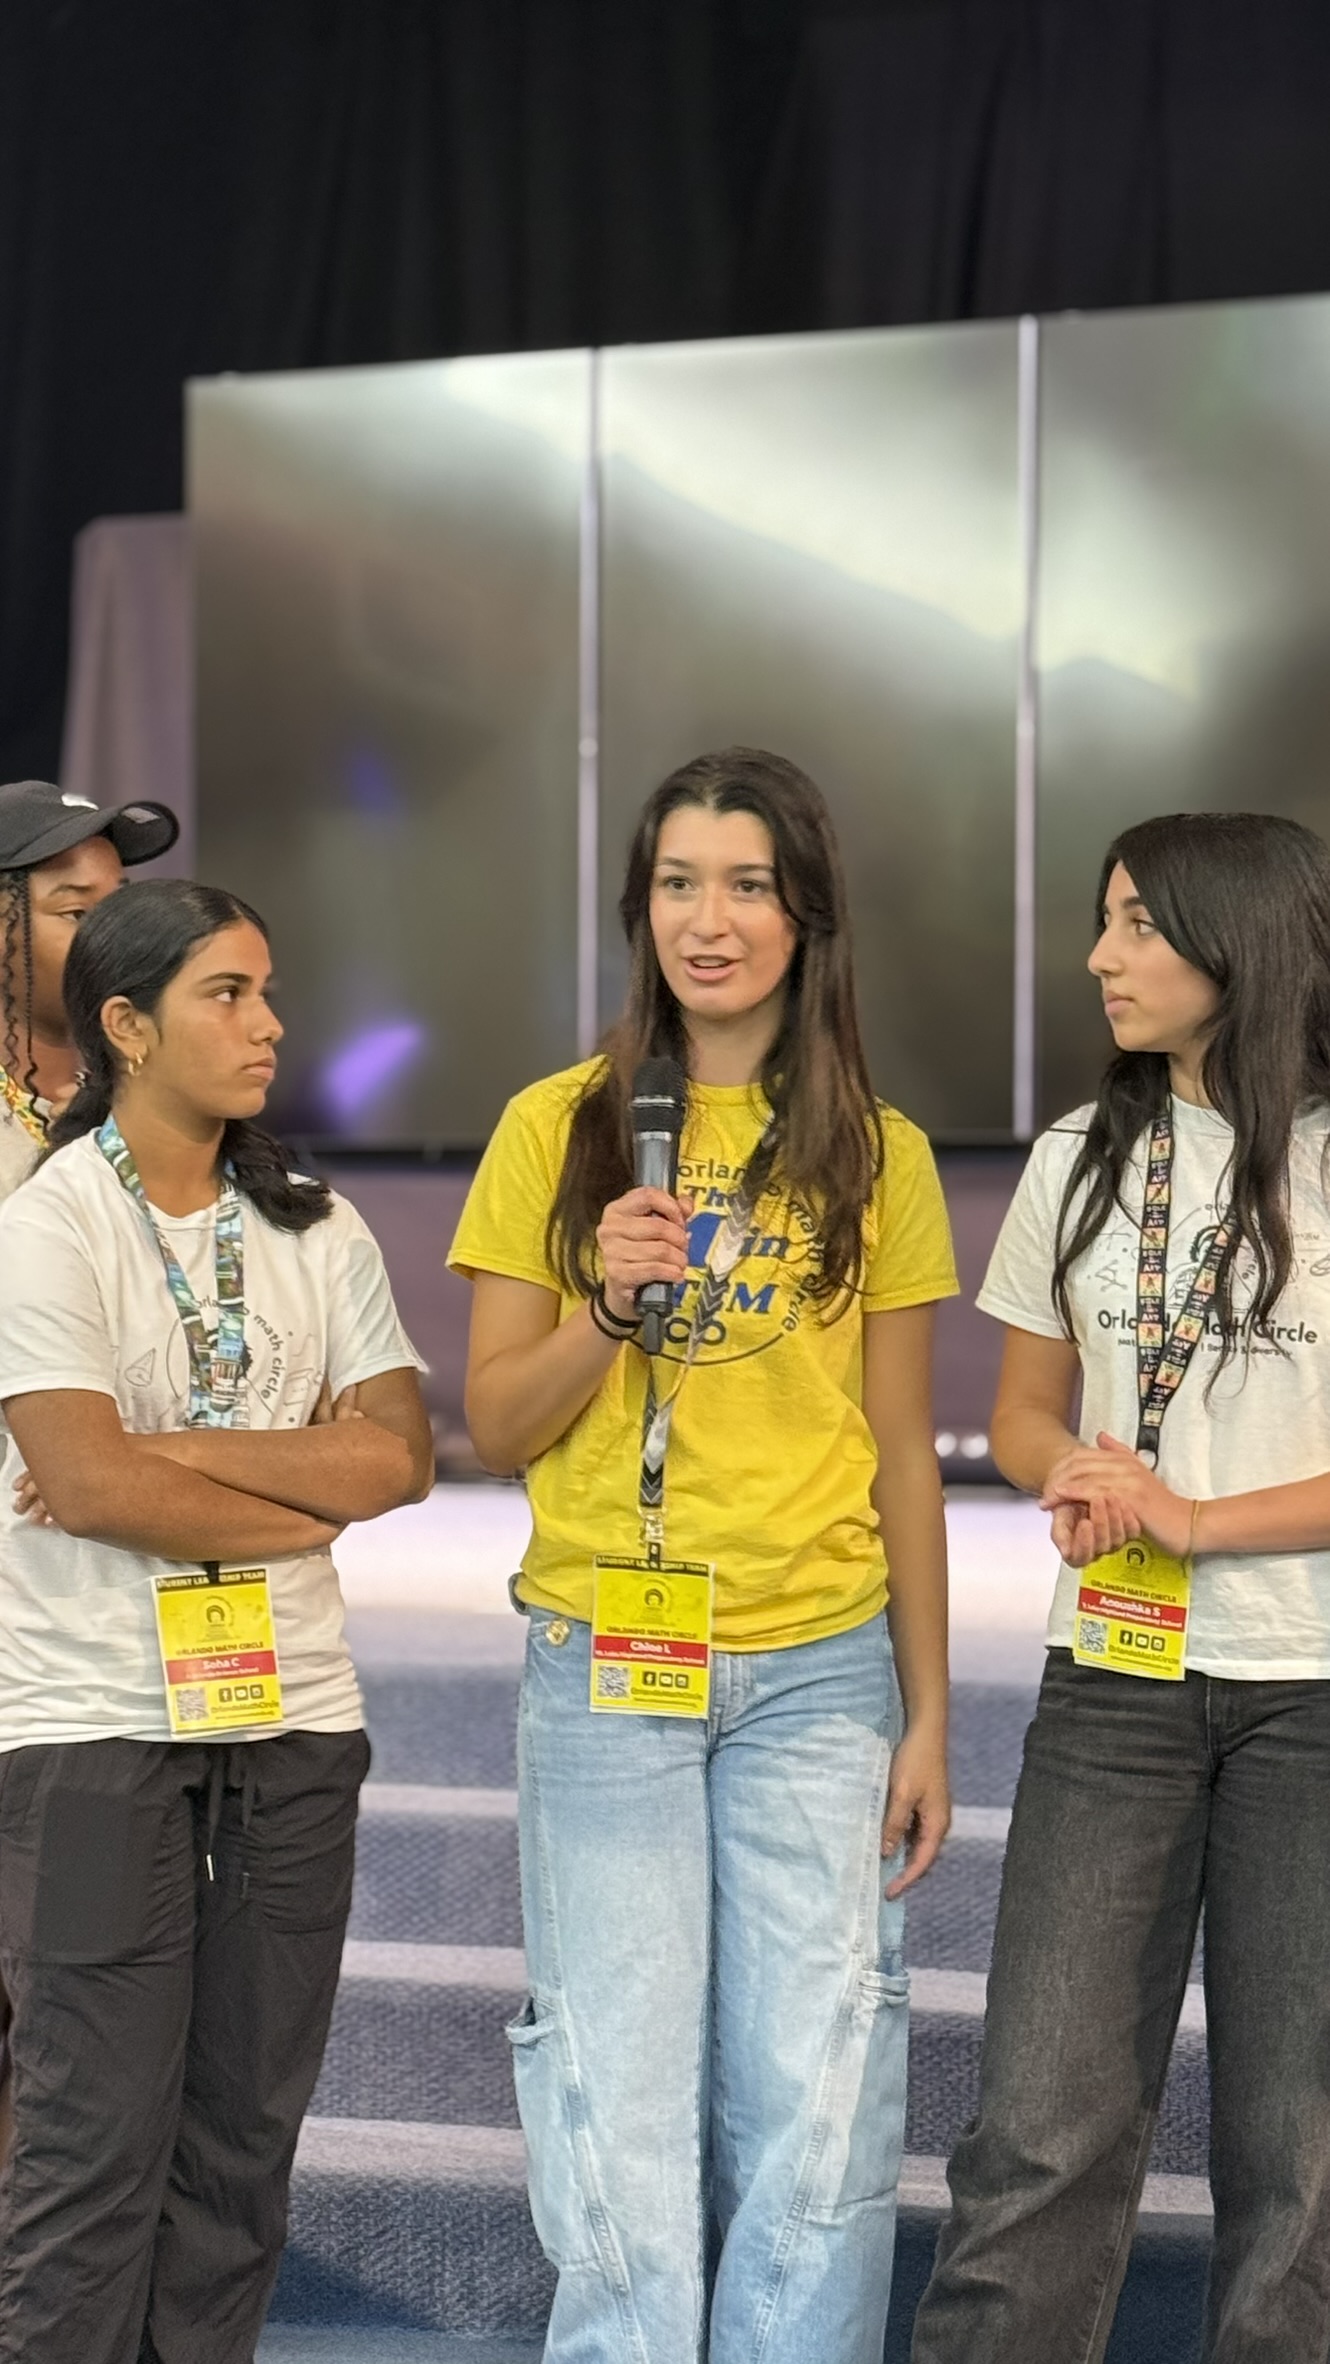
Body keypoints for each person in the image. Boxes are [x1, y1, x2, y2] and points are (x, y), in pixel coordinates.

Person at [449, 746, 959, 2364]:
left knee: (818, 2091)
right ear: (639, 908)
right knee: (615, 2088)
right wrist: (605, 1304)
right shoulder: (558, 1128)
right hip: (609, 1656)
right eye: (678, 884)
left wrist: (926, 1713)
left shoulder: (879, 1152)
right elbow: (496, 1423)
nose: (708, 921)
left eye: (747, 886)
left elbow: (899, 1453)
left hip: (819, 1670)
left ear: (805, 918)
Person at [910, 810, 1330, 2364]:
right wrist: (1072, 1477)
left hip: (1311, 1694)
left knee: (1299, 2163)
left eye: (1137, 924)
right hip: (1113, 1691)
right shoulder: (1078, 1157)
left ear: (1243, 940)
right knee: (1037, 2131)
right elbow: (1025, 1409)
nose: (1100, 956)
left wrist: (1194, 1521)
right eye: (1103, 920)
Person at [0, 879, 433, 2363]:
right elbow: (80, 1482)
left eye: (268, 992)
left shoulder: (316, 1223)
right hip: (90, 1727)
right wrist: (298, 1492)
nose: (269, 1026)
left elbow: (397, 1460)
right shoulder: (49, 1224)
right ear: (126, 1027)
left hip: (293, 1721)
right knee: (88, 2151)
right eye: (227, 995)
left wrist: (168, 1455)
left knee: (243, 2152)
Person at [0, 778, 179, 2159]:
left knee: (76, 1997)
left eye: (122, 903)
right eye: (72, 906)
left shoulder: (156, 1105)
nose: (110, 931)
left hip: (121, 1592)